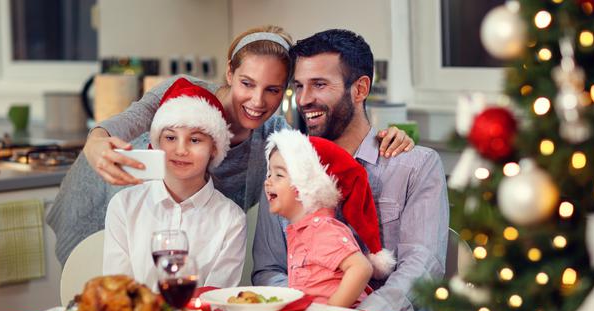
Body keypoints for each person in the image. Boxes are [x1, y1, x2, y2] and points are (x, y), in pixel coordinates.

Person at [47, 25, 414, 266]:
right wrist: (95, 142)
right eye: (247, 83)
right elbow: (129, 119)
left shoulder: (271, 134)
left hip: (181, 233)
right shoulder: (184, 92)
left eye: (273, 89)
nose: (257, 100)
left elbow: (321, 160)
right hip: (114, 198)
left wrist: (384, 137)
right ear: (229, 73)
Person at [252, 29, 449, 311]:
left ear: (359, 89)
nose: (305, 99)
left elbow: (424, 266)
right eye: (299, 86)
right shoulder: (283, 169)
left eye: (320, 85)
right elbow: (268, 269)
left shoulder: (415, 165)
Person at [103, 78, 246, 289]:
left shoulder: (231, 220)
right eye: (170, 138)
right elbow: (119, 292)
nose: (181, 150)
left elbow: (216, 299)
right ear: (156, 142)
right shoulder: (124, 206)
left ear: (214, 148)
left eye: (195, 140)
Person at [264, 129, 397, 307]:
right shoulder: (303, 231)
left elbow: (361, 268)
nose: (268, 181)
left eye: (279, 175)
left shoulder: (322, 230)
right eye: (269, 174)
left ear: (308, 185)